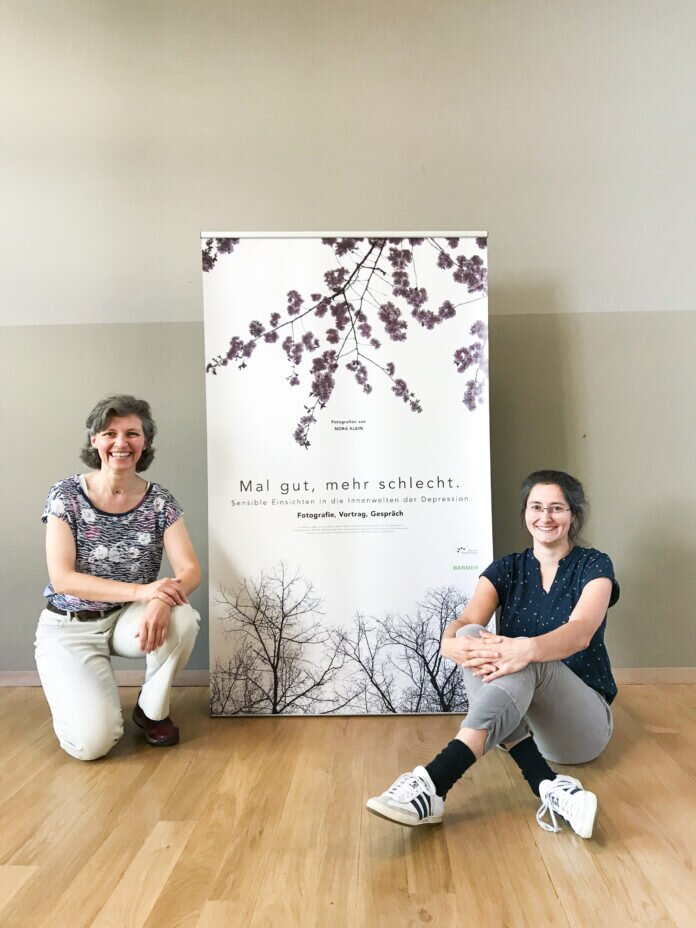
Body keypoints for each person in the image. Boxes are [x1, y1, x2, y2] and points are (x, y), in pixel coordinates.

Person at [367, 470, 619, 839]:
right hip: (519, 720)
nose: (545, 517)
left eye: (556, 508)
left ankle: (435, 780)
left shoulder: (595, 565)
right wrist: (448, 642)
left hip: (581, 728)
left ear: (572, 515)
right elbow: (468, 620)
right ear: (525, 514)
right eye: (536, 507)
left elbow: (581, 632)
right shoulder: (507, 568)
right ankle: (545, 783)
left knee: (530, 658)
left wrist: (526, 648)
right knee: (473, 634)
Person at [35, 395, 201, 761]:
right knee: (91, 745)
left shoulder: (161, 501)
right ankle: (86, 697)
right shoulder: (65, 495)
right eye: (109, 433)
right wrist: (146, 591)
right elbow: (63, 579)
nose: (121, 443)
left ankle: (151, 711)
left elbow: (190, 570)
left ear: (145, 441)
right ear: (94, 440)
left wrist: (159, 599)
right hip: (70, 624)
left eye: (132, 433)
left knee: (183, 616)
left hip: (128, 619)